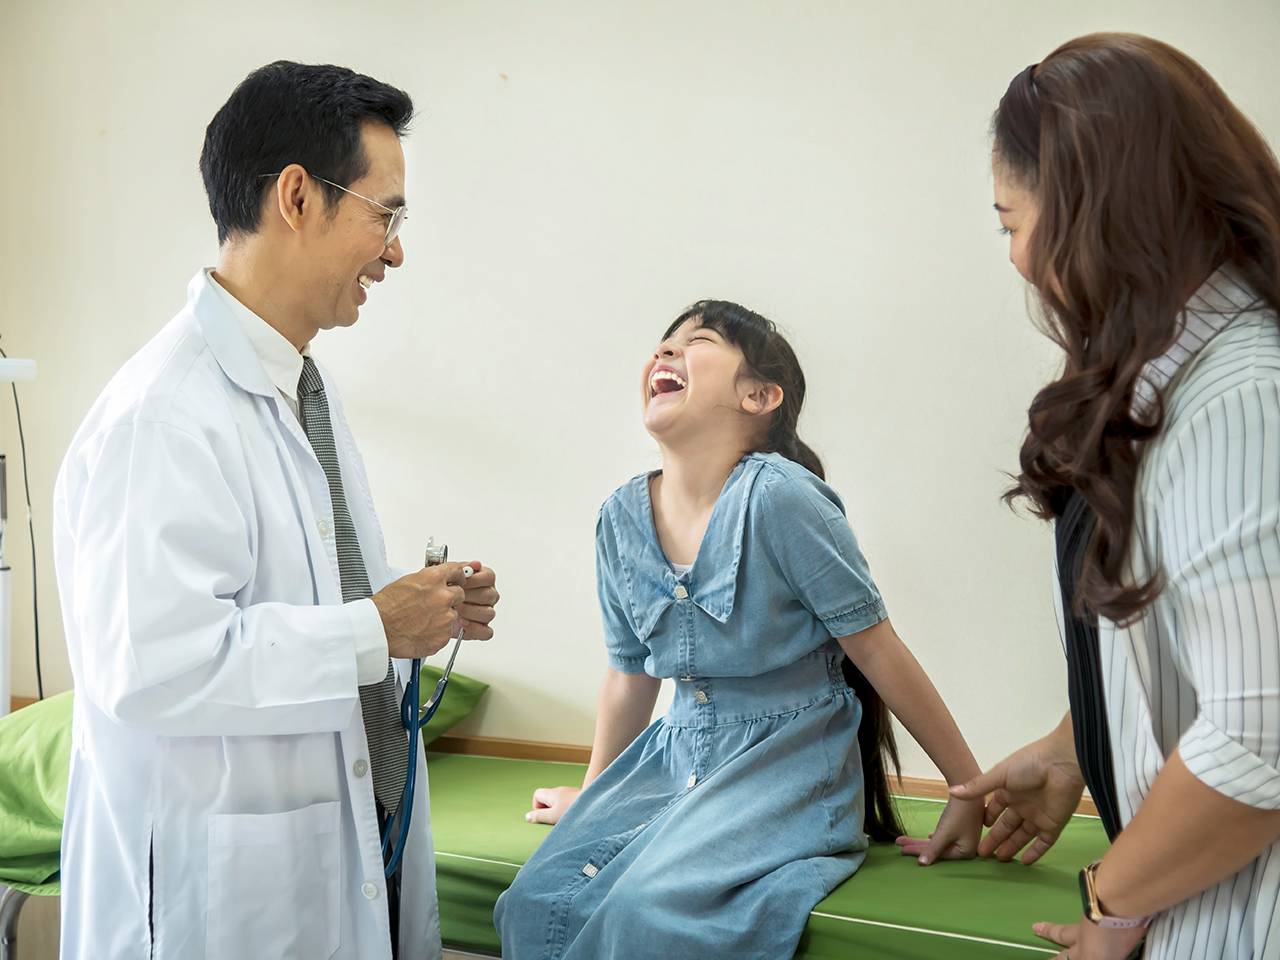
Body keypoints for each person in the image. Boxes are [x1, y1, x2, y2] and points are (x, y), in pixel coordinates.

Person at [52, 61, 499, 960]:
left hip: (317, 868)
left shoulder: (300, 390)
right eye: (386, 215)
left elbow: (303, 604)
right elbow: (155, 670)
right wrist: (376, 626)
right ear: (297, 196)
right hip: (213, 907)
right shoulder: (165, 419)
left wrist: (418, 614)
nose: (396, 251)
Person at [493, 301, 984, 958]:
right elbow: (629, 676)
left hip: (785, 767)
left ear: (760, 395)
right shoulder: (619, 516)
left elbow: (875, 647)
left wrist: (967, 791)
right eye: (660, 344)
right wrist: (594, 795)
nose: (664, 353)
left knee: (646, 911)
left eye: (694, 342)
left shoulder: (780, 497)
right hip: (675, 756)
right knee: (534, 902)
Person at [950, 33, 1280, 960]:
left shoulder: (1244, 398)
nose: (1015, 259)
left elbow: (1260, 738)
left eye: (1011, 221)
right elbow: (1203, 638)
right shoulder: (1181, 384)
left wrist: (1112, 906)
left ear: (1094, 210)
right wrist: (1074, 746)